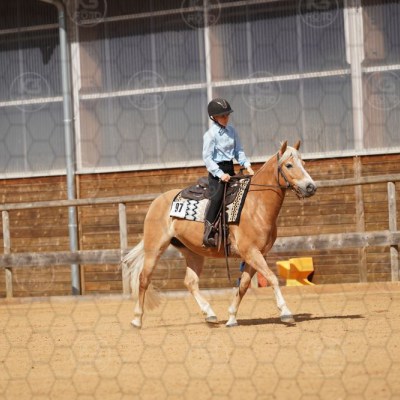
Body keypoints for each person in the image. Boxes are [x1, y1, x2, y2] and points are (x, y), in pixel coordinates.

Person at [202, 98, 254, 247]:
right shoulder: (210, 135)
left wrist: (247, 166)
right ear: (214, 117)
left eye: (227, 115)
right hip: (217, 174)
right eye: (222, 116)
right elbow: (207, 158)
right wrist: (220, 174)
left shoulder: (232, 131)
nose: (226, 118)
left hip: (231, 170)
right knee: (217, 198)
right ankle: (208, 232)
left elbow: (239, 151)